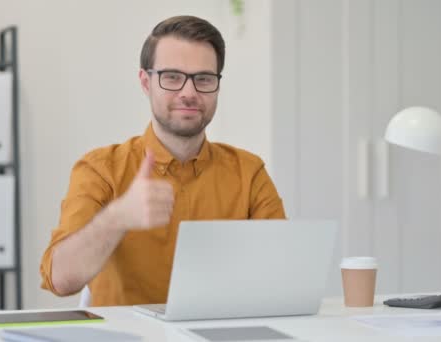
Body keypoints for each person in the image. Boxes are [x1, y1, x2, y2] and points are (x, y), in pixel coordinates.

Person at [39, 15, 286, 306]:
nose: (189, 93)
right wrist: (118, 217)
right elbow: (61, 279)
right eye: (172, 77)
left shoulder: (249, 172)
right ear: (146, 82)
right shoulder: (100, 169)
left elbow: (282, 277)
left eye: (204, 79)